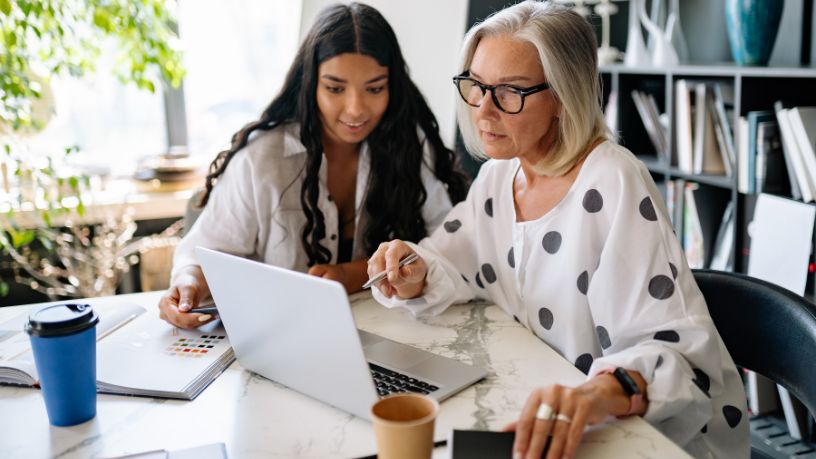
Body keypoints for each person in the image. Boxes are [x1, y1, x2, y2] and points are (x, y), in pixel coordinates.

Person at [367, 2, 748, 458]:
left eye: (510, 92)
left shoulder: (611, 181)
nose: (484, 111)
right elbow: (452, 258)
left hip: (647, 435)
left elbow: (680, 355)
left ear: (564, 97)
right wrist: (413, 269)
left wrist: (594, 395)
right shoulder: (498, 176)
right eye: (476, 85)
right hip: (537, 406)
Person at [158, 2, 468, 330]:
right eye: (335, 88)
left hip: (396, 336)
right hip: (281, 336)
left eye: (375, 88)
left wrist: (355, 274)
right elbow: (206, 254)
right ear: (310, 85)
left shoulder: (410, 148)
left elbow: (449, 250)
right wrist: (188, 284)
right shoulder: (262, 159)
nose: (356, 109)